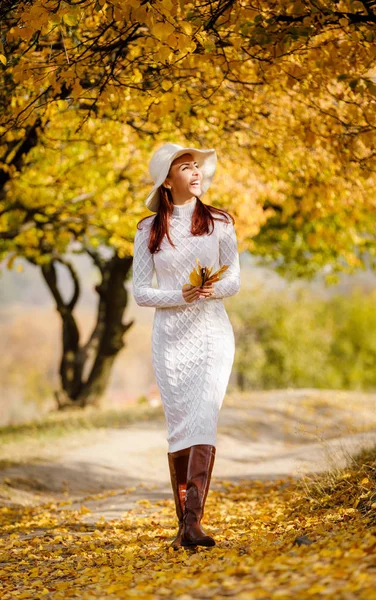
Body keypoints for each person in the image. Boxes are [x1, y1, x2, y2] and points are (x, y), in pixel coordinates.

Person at [132, 142, 241, 549]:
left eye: (197, 166)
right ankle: (185, 531)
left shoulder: (219, 221)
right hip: (170, 338)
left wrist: (208, 291)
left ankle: (193, 522)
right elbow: (141, 292)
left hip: (212, 331)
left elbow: (235, 280)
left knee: (204, 418)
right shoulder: (148, 230)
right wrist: (183, 294)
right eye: (185, 166)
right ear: (167, 179)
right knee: (179, 429)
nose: (195, 172)